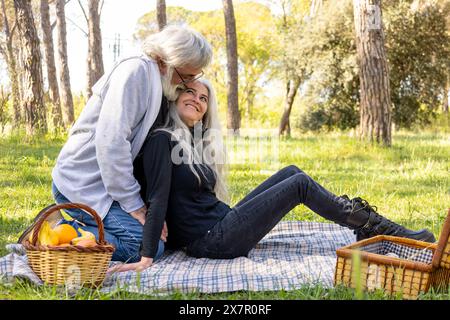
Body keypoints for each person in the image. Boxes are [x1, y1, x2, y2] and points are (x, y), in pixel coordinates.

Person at [108, 79, 436, 273]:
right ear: (175, 95)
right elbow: (157, 199)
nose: (197, 100)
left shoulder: (188, 142)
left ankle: (370, 225)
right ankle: (378, 227)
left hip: (224, 224)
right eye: (191, 92)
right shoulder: (161, 140)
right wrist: (146, 257)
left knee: (292, 172)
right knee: (299, 184)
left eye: (204, 98)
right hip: (212, 241)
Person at [18, 25, 213, 263]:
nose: (187, 85)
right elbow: (111, 143)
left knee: (158, 239)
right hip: (82, 183)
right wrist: (135, 206)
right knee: (141, 246)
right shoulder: (135, 73)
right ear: (167, 61)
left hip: (108, 185)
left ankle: (73, 225)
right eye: (187, 76)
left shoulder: (157, 81)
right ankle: (57, 231)